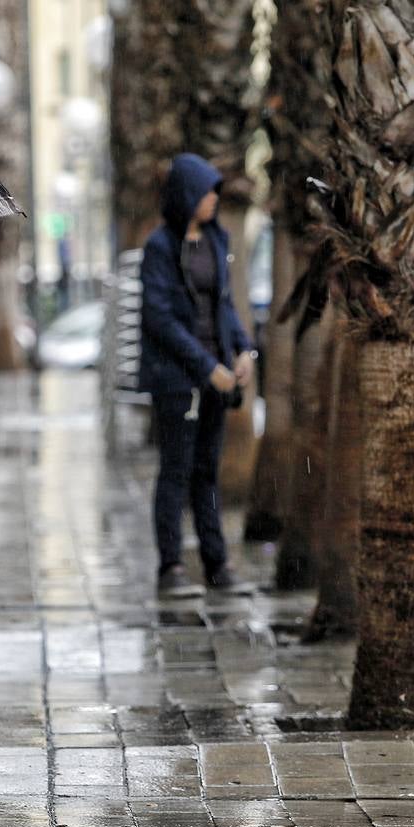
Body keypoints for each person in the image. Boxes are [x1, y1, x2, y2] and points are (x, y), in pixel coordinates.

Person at [139, 153, 257, 598]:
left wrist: (244, 349)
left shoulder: (214, 237)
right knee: (176, 471)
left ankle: (217, 564)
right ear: (188, 194)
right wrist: (207, 368)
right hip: (177, 378)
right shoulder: (160, 247)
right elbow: (161, 319)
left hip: (217, 376)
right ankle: (170, 567)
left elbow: (222, 305)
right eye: (207, 191)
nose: (214, 199)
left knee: (207, 472)